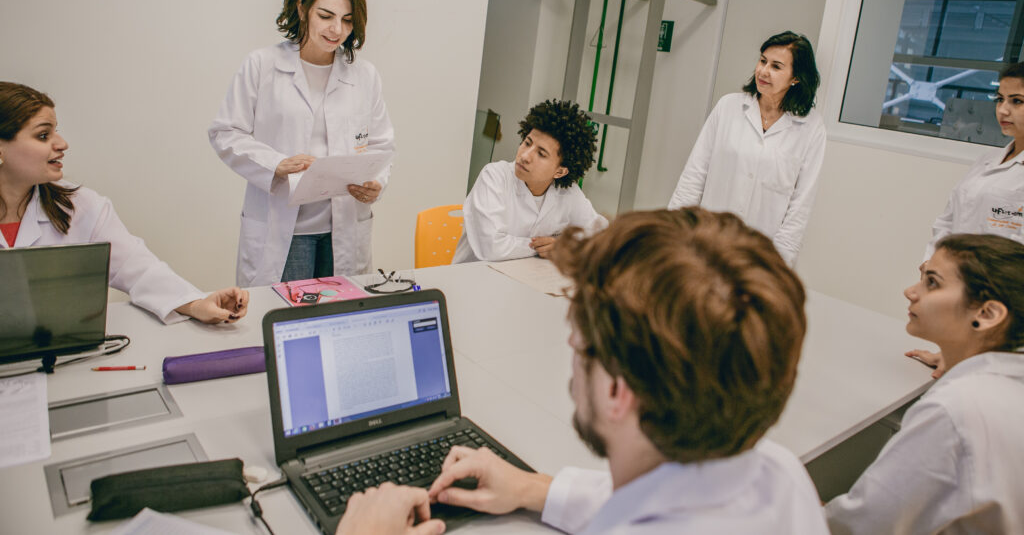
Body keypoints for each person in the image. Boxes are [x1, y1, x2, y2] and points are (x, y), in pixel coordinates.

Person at [335, 208, 829, 534]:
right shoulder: (782, 476)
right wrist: (534, 488)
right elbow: (662, 499)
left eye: (579, 337)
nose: (570, 343)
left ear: (618, 391)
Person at [209, 0, 395, 286]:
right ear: (302, 8)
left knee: (338, 320)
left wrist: (375, 181)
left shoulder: (364, 76)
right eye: (326, 16)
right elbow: (226, 132)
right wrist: (277, 163)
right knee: (285, 320)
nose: (336, 29)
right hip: (285, 228)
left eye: (347, 20)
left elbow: (380, 144)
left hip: (343, 228)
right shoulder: (262, 66)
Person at [0, 82, 248, 325]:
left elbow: (138, 269)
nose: (62, 143)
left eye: (56, 131)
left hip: (62, 357)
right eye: (43, 135)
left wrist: (196, 304)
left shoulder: (80, 206)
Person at [826, 234, 1024, 534]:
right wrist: (955, 354)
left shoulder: (955, 410)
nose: (910, 292)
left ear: (987, 314)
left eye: (932, 282)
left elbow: (860, 527)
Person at [668, 31, 826, 265]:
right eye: (762, 61)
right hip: (708, 237)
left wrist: (779, 262)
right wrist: (672, 229)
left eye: (776, 66)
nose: (763, 71)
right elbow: (694, 174)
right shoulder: (728, 107)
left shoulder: (811, 128)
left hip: (761, 251)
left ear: (796, 78)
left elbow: (800, 206)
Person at [453, 99, 607, 263]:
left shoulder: (568, 192)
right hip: (474, 277)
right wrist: (545, 247)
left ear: (560, 171)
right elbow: (491, 247)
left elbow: (601, 235)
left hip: (524, 276)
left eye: (541, 154)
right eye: (527, 143)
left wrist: (564, 245)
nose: (525, 156)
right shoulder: (494, 176)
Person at [925, 61, 1024, 261]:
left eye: (1017, 101)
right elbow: (947, 220)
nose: (1003, 110)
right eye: (1000, 99)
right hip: (952, 273)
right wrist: (932, 262)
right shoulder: (986, 161)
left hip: (996, 285)